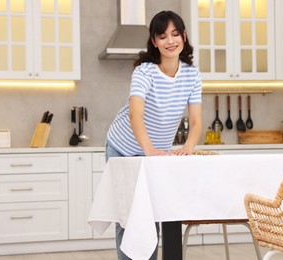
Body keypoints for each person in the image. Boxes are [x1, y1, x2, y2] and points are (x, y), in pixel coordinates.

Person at [105, 10, 203, 260]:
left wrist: (189, 146)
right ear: (154, 41)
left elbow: (195, 121)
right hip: (124, 147)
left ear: (184, 36)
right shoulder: (144, 72)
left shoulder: (192, 74)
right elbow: (135, 115)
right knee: (129, 217)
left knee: (153, 212)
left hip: (155, 152)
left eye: (175, 34)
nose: (170, 41)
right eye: (162, 36)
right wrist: (148, 149)